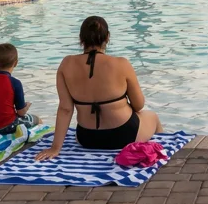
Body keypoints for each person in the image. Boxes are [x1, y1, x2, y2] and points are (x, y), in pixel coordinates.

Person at [36, 16, 163, 159]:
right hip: (125, 134)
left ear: (81, 38)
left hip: (87, 138)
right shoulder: (121, 64)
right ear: (107, 38)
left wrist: (55, 148)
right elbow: (139, 105)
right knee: (153, 117)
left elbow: (65, 109)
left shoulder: (66, 64)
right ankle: (162, 158)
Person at [0, 43, 40, 135]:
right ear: (16, 63)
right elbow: (21, 112)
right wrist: (27, 105)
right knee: (36, 119)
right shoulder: (15, 83)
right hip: (7, 127)